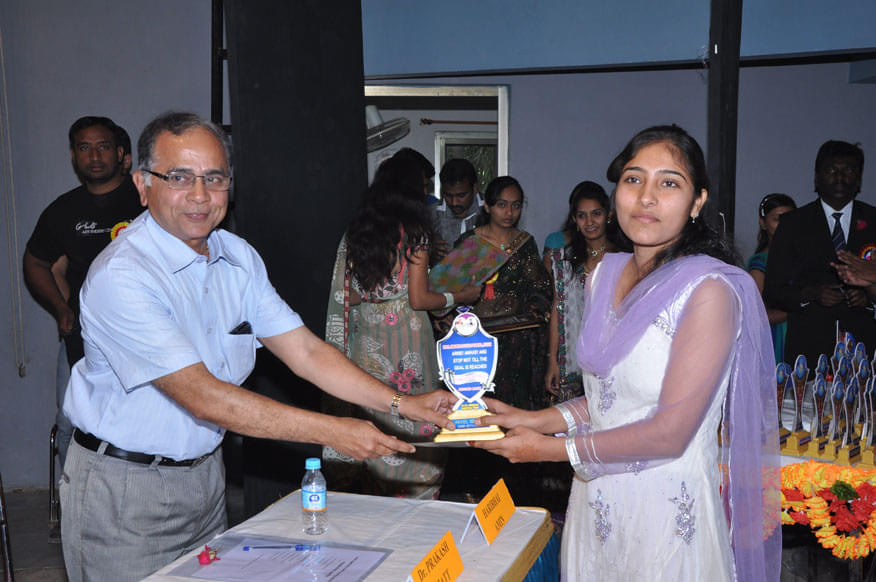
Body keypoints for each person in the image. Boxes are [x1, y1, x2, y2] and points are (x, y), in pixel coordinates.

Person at [59, 112, 457, 582]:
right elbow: (204, 396)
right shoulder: (123, 276)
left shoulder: (237, 257)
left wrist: (401, 402)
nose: (200, 195)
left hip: (207, 479)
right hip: (125, 491)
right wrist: (334, 431)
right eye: (179, 177)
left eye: (214, 178)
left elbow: (304, 352)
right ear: (143, 185)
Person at [473, 125, 780, 581]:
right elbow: (613, 400)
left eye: (669, 183)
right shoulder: (603, 273)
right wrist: (532, 419)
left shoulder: (708, 290)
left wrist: (547, 451)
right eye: (634, 179)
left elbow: (668, 432)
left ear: (697, 202)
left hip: (664, 514)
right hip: (596, 503)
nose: (646, 197)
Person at [323, 178, 480, 499]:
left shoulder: (357, 236)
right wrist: (460, 295)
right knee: (420, 416)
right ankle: (420, 497)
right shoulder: (415, 234)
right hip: (408, 340)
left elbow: (348, 298)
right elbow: (419, 300)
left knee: (375, 411)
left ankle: (378, 497)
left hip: (367, 341)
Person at [23, 116, 143, 465]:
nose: (94, 156)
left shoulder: (147, 199)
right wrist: (61, 309)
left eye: (103, 146)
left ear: (121, 153)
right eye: (84, 148)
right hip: (83, 339)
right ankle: (74, 507)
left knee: (137, 422)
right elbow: (36, 263)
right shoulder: (62, 211)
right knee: (69, 422)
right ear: (74, 156)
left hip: (144, 335)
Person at [765, 140, 876, 363]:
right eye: (832, 170)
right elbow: (772, 291)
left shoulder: (874, 221)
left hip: (864, 351)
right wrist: (811, 294)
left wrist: (868, 298)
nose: (840, 177)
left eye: (849, 170)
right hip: (810, 350)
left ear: (859, 179)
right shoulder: (792, 224)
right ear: (817, 177)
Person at [461, 176, 552, 410]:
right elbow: (449, 289)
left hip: (516, 338)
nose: (509, 212)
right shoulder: (469, 242)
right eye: (502, 204)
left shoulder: (524, 243)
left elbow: (540, 287)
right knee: (478, 408)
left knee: (514, 407)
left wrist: (530, 313)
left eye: (516, 205)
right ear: (487, 206)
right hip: (476, 340)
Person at [544, 181, 618, 403]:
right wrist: (553, 361)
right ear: (575, 221)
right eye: (582, 215)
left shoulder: (624, 258)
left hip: (613, 357)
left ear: (608, 215)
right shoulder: (565, 260)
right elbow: (558, 310)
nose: (590, 222)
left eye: (596, 213)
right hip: (573, 362)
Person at [746, 193, 797, 363]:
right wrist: (800, 311)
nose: (784, 225)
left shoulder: (802, 260)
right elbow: (754, 316)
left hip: (799, 339)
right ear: (763, 224)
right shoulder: (760, 263)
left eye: (790, 218)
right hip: (774, 341)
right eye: (777, 219)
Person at [433, 158, 481, 252]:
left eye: (461, 195)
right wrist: (429, 251)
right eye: (448, 195)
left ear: (474, 188)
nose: (454, 202)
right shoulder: (431, 215)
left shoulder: (490, 210)